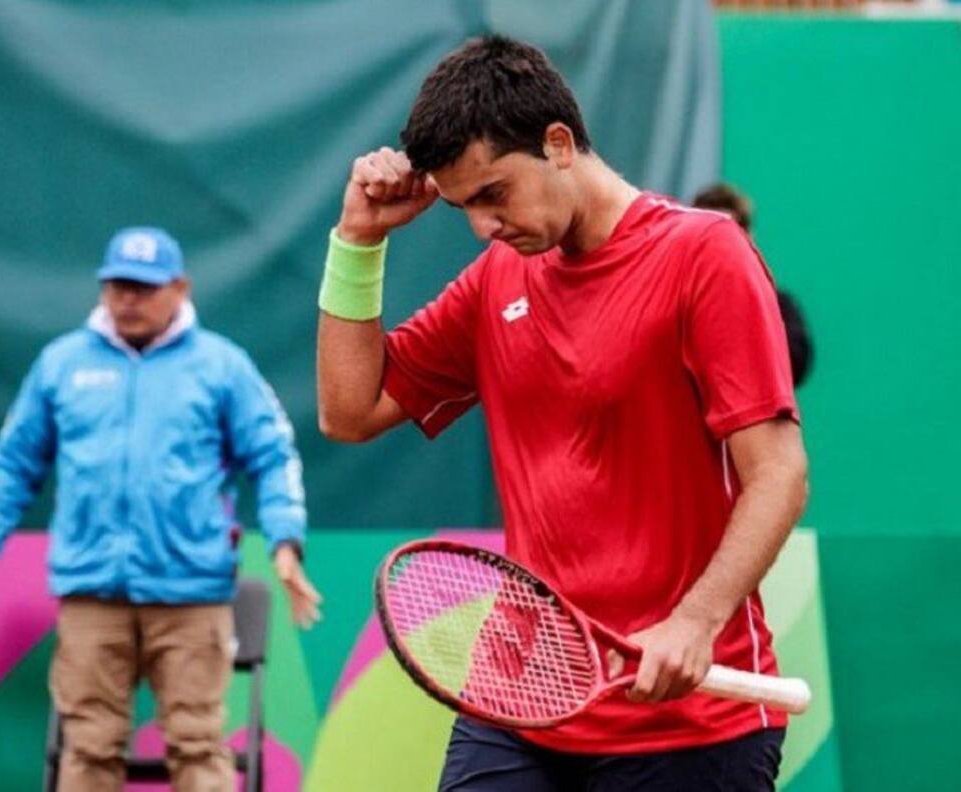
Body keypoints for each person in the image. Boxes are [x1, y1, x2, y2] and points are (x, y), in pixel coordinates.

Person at [316, 36, 807, 791]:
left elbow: (778, 473)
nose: (482, 225)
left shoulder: (705, 255)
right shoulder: (496, 279)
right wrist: (356, 243)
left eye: (493, 194)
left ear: (558, 144)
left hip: (685, 718)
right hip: (519, 697)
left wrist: (697, 620)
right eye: (463, 207)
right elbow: (349, 412)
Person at [0, 226, 322, 792]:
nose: (128, 299)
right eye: (117, 286)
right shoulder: (62, 364)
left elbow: (273, 453)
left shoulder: (221, 366)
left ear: (180, 287)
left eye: (144, 286)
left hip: (192, 595)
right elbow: (12, 468)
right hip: (92, 595)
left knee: (198, 747)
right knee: (87, 751)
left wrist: (285, 543)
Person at [692, 183, 814, 387]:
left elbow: (794, 363)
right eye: (706, 233)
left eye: (725, 234)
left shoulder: (777, 305)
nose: (717, 246)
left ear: (747, 236)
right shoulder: (674, 308)